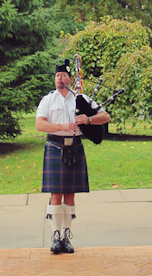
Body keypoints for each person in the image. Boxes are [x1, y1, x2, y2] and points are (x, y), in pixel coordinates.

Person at [36, 58, 111, 254]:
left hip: (75, 147)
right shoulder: (48, 99)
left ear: (70, 78)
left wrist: (88, 118)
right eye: (57, 75)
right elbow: (40, 125)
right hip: (55, 146)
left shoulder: (82, 99)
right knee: (55, 195)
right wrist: (62, 126)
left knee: (70, 194)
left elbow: (106, 117)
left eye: (63, 75)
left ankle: (66, 237)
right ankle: (55, 238)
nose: (59, 79)